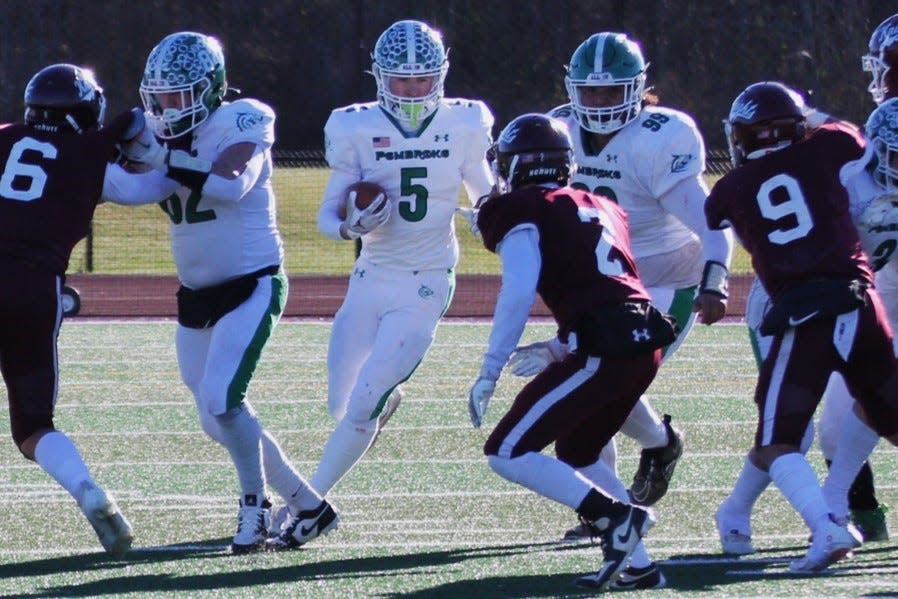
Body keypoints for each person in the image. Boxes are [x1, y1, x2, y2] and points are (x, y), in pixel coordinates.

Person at [118, 31, 334, 554]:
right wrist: (84, 168)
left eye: (179, 96)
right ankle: (308, 505)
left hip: (252, 283)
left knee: (222, 400)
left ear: (211, 90)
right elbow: (138, 188)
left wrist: (156, 155)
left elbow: (230, 182)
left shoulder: (243, 118)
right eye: (160, 97)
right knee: (214, 417)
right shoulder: (163, 137)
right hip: (196, 295)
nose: (167, 108)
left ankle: (254, 510)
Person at [511, 31, 732, 541]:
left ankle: (613, 499)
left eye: (611, 93)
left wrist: (715, 280)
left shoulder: (662, 136)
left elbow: (709, 223)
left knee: (598, 379)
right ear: (572, 89)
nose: (599, 102)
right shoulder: (559, 127)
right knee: (597, 381)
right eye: (590, 92)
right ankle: (638, 467)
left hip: (665, 279)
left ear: (637, 89)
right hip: (600, 282)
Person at [716, 20, 898, 553]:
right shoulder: (848, 163)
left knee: (828, 424)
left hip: (857, 298)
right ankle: (760, 510)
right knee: (798, 429)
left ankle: (834, 508)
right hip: (811, 299)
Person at [470, 113, 672, 591]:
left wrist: (490, 369)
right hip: (642, 340)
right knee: (580, 451)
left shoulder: (518, 209)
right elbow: (611, 287)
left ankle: (616, 515)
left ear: (512, 166)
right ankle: (640, 565)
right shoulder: (601, 205)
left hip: (605, 346)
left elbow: (518, 291)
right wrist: (561, 344)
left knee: (506, 450)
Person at [306, 19, 494, 517]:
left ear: (441, 77)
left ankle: (308, 503)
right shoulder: (355, 127)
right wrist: (348, 228)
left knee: (363, 400)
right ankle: (387, 401)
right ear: (379, 79)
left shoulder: (465, 124)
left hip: (427, 282)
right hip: (370, 278)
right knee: (338, 403)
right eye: (401, 80)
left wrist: (491, 217)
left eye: (422, 79)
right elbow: (327, 214)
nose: (412, 90)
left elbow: (486, 192)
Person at [0, 62, 151, 558]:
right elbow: (146, 185)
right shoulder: (91, 152)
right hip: (32, 288)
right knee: (32, 425)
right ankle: (87, 489)